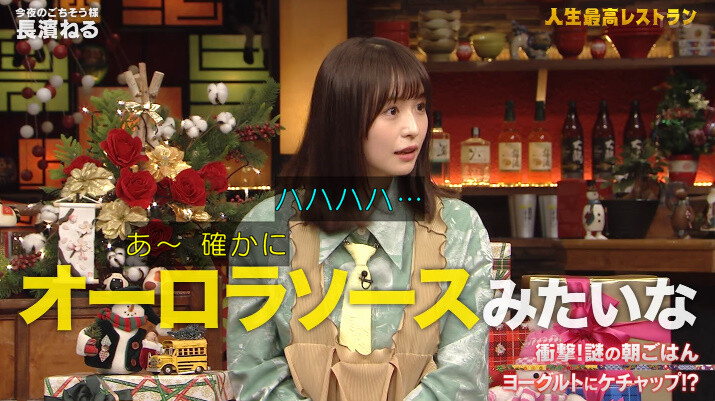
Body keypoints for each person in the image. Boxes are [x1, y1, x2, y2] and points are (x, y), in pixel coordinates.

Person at [227, 37, 493, 401]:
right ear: (342, 120)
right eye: (392, 110)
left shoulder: (460, 227)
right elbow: (253, 373)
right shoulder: (267, 226)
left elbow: (463, 376)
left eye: (419, 107)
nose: (414, 127)